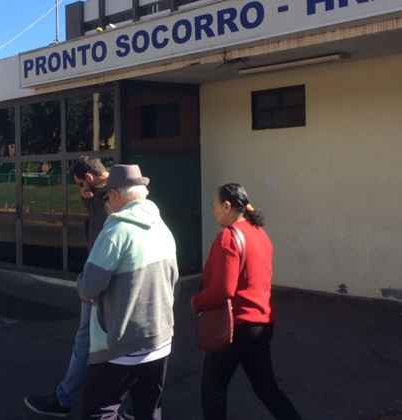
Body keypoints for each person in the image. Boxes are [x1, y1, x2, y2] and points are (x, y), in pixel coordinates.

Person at [192, 183, 301, 420]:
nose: (214, 211)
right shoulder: (260, 233)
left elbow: (223, 290)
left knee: (213, 389)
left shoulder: (229, 238)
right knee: (267, 389)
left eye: (215, 206)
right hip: (261, 323)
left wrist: (196, 302)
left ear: (227, 206)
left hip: (235, 327)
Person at [78, 164, 178, 420]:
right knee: (148, 411)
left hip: (121, 345)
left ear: (118, 195)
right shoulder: (162, 228)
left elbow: (88, 288)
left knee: (100, 411)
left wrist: (82, 283)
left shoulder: (115, 231)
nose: (107, 202)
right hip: (159, 340)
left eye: (108, 195)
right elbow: (173, 278)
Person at [25, 156, 110, 417]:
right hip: (107, 278)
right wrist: (87, 196)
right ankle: (136, 405)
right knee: (111, 343)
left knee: (86, 340)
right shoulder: (106, 195)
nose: (79, 190)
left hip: (100, 278)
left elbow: (101, 239)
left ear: (90, 178)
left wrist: (88, 285)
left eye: (79, 184)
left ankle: (64, 399)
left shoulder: (106, 201)